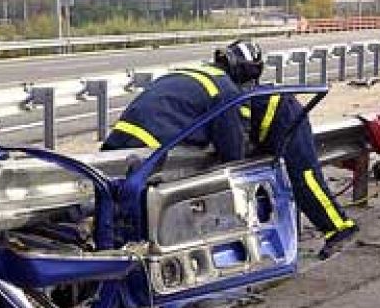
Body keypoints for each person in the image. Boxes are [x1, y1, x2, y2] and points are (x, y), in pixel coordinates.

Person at [214, 40, 358, 259]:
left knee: (305, 177)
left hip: (286, 118)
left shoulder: (241, 92)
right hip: (271, 122)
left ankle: (340, 228)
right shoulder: (234, 89)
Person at [100, 58, 246, 162]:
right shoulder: (226, 89)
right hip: (150, 147)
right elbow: (231, 152)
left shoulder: (191, 72)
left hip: (119, 136)